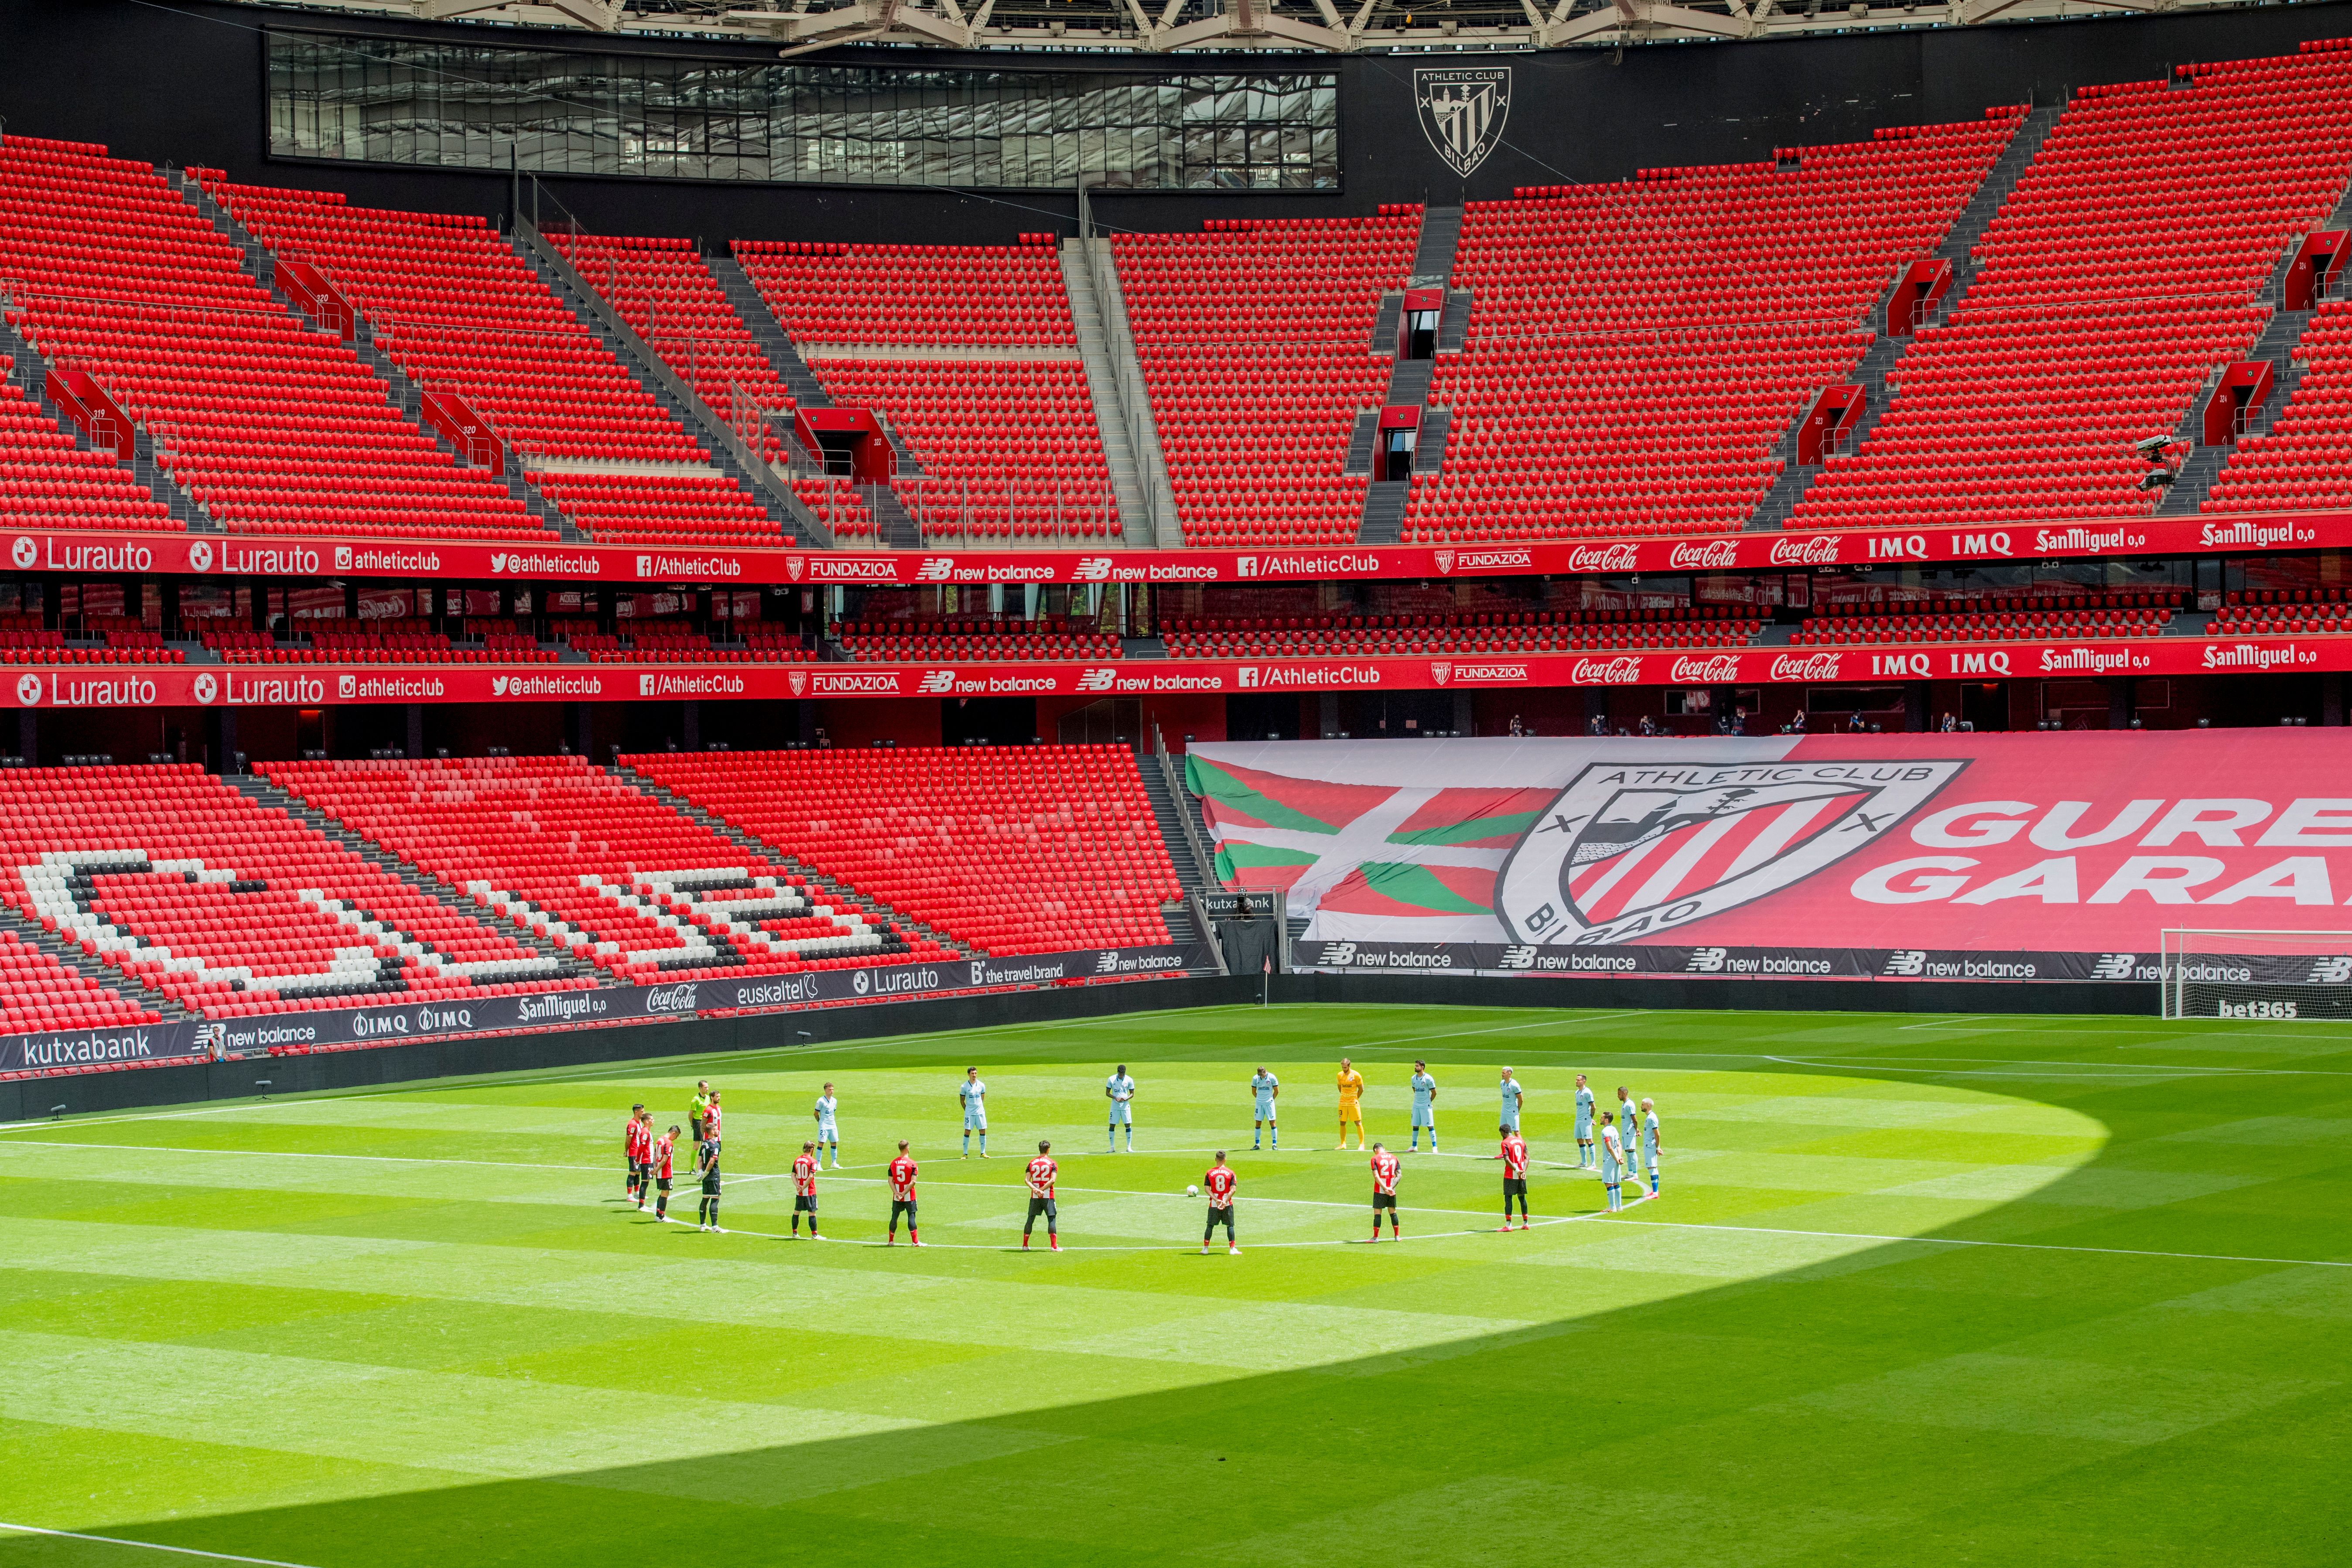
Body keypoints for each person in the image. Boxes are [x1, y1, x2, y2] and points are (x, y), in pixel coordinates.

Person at [1023, 1140, 1060, 1251]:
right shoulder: (1052, 1163)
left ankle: (1025, 1246)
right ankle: (1054, 1247)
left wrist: (1036, 1190)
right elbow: (1052, 1180)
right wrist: (1041, 1190)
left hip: (1035, 1197)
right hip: (1048, 1195)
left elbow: (1027, 1180)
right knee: (1051, 1219)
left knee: (1030, 1219)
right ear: (1048, 1150)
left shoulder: (1032, 1163)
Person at [1201, 1151, 1238, 1254]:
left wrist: (1216, 1200)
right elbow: (1233, 1190)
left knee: (1210, 1226)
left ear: (1215, 1159)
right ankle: (1232, 1249)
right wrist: (1225, 1201)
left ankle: (1205, 1249)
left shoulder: (1209, 1173)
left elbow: (1207, 1189)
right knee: (1230, 1226)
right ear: (1225, 1160)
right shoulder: (1231, 1173)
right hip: (1227, 1203)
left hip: (1214, 1204)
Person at [887, 1139, 921, 1246]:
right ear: (907, 1149)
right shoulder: (912, 1164)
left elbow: (890, 1181)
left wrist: (897, 1193)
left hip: (897, 1196)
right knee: (911, 1216)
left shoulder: (893, 1163)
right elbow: (913, 1181)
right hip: (909, 1196)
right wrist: (904, 1193)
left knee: (894, 1217)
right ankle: (915, 1242)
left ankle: (891, 1241)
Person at [1498, 1122, 1530, 1230]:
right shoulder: (1521, 1140)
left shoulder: (1505, 1143)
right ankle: (1526, 1223)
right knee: (1522, 1198)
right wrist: (1523, 1171)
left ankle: (1509, 1225)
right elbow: (1527, 1157)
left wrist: (1517, 1171)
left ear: (1503, 1132)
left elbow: (1507, 1160)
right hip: (1522, 1174)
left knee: (1508, 1198)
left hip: (1511, 1174)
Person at [1368, 1141, 1401, 1241]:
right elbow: (1399, 1175)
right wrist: (1391, 1188)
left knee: (1378, 1213)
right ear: (1384, 1148)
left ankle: (1375, 1238)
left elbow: (1376, 1176)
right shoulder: (1394, 1158)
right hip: (1392, 1191)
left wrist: (1385, 1188)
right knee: (1393, 1212)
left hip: (1379, 1190)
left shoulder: (1375, 1159)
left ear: (1375, 1150)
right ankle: (1397, 1237)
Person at [694, 1128, 725, 1232]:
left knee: (705, 1198)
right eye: (716, 1129)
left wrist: (700, 1172)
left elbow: (699, 1159)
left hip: (705, 1176)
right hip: (713, 1175)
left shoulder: (704, 1144)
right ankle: (715, 1227)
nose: (718, 1131)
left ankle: (702, 1225)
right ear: (712, 1131)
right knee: (715, 1198)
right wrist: (707, 1172)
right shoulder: (715, 1145)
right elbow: (712, 1161)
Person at [1599, 1112, 1629, 1212]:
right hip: (1616, 1159)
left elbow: (1609, 1147)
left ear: (1606, 1120)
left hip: (1609, 1160)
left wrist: (1616, 1159)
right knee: (1616, 1183)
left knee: (1608, 1183)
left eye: (1602, 1117)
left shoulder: (1605, 1132)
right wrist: (1620, 1158)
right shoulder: (1614, 1130)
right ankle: (1619, 1206)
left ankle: (1612, 1207)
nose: (1600, 1119)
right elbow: (1619, 1145)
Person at [790, 1140, 820, 1238]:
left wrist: (797, 1186)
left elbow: (793, 1175)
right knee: (812, 1213)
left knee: (796, 1212)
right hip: (810, 1191)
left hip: (799, 1193)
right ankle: (814, 1235)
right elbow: (811, 1176)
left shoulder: (797, 1160)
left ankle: (795, 1233)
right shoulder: (813, 1161)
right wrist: (804, 1187)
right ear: (812, 1149)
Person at [648, 1124, 678, 1222]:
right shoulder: (668, 1143)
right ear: (674, 1133)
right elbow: (665, 1159)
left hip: (659, 1172)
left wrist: (654, 1167)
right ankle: (661, 1216)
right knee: (665, 1193)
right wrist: (656, 1170)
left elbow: (655, 1155)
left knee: (663, 1193)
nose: (675, 1139)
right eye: (676, 1136)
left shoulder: (660, 1140)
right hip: (666, 1172)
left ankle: (658, 1215)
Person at [1335, 1056, 1366, 1150]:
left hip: (1353, 1103)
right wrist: (1345, 1096)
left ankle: (1362, 1144)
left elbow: (1361, 1089)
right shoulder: (1339, 1075)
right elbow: (1340, 1087)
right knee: (1342, 1123)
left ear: (1349, 1066)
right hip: (1343, 1103)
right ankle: (1343, 1144)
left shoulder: (1356, 1075)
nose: (1344, 1069)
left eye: (1345, 1067)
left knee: (1358, 1122)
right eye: (1342, 1067)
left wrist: (1355, 1098)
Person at [1105, 1063, 1137, 1153]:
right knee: (1112, 1125)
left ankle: (1129, 1147)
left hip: (1125, 1106)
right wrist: (1115, 1098)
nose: (1121, 1076)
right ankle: (1112, 1147)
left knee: (1128, 1124)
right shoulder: (1111, 1079)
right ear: (1118, 1072)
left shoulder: (1129, 1080)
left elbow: (1132, 1094)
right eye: (1120, 1074)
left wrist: (1125, 1098)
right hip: (1115, 1106)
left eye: (1123, 1074)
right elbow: (1107, 1093)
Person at [1408, 1060, 1439, 1152]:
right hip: (1416, 1105)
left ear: (1422, 1067)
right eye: (1415, 1066)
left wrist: (1428, 1102)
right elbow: (1415, 1090)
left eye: (1417, 1066)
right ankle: (1414, 1146)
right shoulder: (1413, 1078)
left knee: (1430, 1126)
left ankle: (1435, 1147)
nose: (1415, 1067)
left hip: (1426, 1106)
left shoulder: (1429, 1079)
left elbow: (1434, 1092)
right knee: (1415, 1125)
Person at [960, 1066, 989, 1158]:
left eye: (976, 1073)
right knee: (967, 1131)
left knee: (983, 1130)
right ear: (969, 1074)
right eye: (973, 1074)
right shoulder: (964, 1087)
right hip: (969, 1113)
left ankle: (983, 1153)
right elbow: (962, 1101)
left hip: (980, 1112)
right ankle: (965, 1153)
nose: (974, 1075)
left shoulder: (982, 1085)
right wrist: (967, 1110)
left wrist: (979, 1107)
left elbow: (982, 1098)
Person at [1250, 1066, 1281, 1149]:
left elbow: (1277, 1091)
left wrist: (1271, 1100)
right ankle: (1257, 1145)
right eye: (1259, 1075)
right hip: (1259, 1104)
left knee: (1272, 1123)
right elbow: (1254, 1092)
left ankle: (1274, 1144)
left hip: (1269, 1104)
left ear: (1265, 1072)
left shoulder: (1272, 1078)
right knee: (1258, 1123)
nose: (1261, 1076)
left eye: (1262, 1074)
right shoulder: (1256, 1078)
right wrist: (1260, 1099)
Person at [814, 1082, 842, 1169]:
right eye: (830, 1090)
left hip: (833, 1125)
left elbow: (833, 1112)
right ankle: (818, 1164)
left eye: (833, 1089)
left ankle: (834, 1163)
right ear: (825, 1090)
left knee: (834, 1142)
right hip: (824, 1125)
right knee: (821, 1143)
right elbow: (816, 1113)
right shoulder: (821, 1101)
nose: (832, 1091)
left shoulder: (835, 1101)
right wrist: (820, 1122)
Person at [624, 1103, 648, 1202]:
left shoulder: (639, 1123)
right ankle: (629, 1195)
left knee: (638, 1172)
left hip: (638, 1152)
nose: (644, 1113)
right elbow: (628, 1140)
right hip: (633, 1152)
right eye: (642, 1112)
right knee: (633, 1172)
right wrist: (626, 1151)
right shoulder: (633, 1124)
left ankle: (637, 1193)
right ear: (636, 1112)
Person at [1574, 1074, 1596, 1170]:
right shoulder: (1577, 1093)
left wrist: (1590, 1118)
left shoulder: (1588, 1092)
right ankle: (1584, 1162)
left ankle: (1593, 1164)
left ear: (1584, 1081)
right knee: (1579, 1139)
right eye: (1576, 1080)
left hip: (1585, 1120)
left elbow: (1593, 1107)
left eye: (1578, 1080)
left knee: (1589, 1140)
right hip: (1578, 1119)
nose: (1576, 1081)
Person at [1640, 1096, 1661, 1196]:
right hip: (1650, 1145)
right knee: (1654, 1168)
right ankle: (1655, 1191)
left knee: (1651, 1168)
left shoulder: (1651, 1118)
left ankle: (1655, 1192)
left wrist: (1658, 1147)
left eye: (1643, 1104)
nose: (1641, 1106)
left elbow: (1657, 1134)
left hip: (1650, 1146)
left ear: (1648, 1106)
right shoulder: (1650, 1117)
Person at [1498, 1067, 1525, 1135]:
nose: (1502, 1074)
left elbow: (1521, 1099)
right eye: (1502, 1073)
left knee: (1516, 1132)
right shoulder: (1502, 1083)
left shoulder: (1514, 1085)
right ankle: (1507, 1146)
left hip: (1512, 1111)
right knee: (1504, 1132)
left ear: (1509, 1074)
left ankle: (1523, 1146)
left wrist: (1517, 1110)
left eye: (1504, 1073)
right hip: (1504, 1111)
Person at [689, 1079, 713, 1144]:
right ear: (700, 1088)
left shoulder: (708, 1098)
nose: (707, 1089)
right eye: (705, 1087)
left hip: (706, 1121)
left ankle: (703, 1154)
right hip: (699, 1122)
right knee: (697, 1144)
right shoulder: (696, 1099)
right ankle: (700, 1154)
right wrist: (692, 1124)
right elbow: (691, 1113)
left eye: (708, 1087)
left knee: (706, 1142)